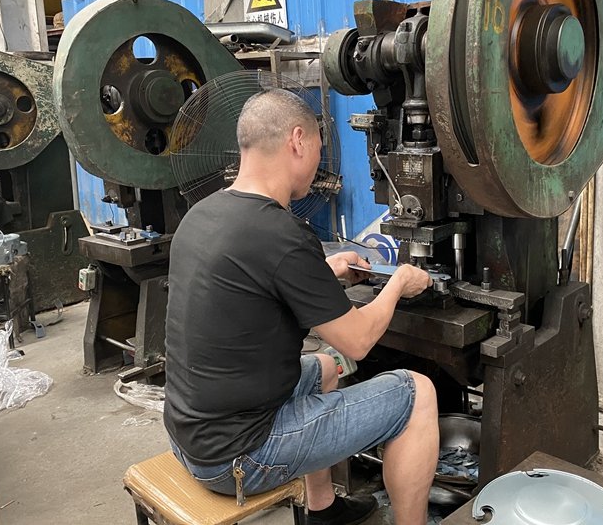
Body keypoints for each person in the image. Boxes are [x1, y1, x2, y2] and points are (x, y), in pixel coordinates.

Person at [164, 88, 439, 525]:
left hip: (190, 435)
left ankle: (322, 510)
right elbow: (359, 340)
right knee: (416, 392)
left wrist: (325, 269)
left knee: (325, 368)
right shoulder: (282, 235)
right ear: (297, 141)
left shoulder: (204, 214)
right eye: (317, 146)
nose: (318, 160)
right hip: (239, 456)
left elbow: (256, 282)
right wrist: (401, 282)